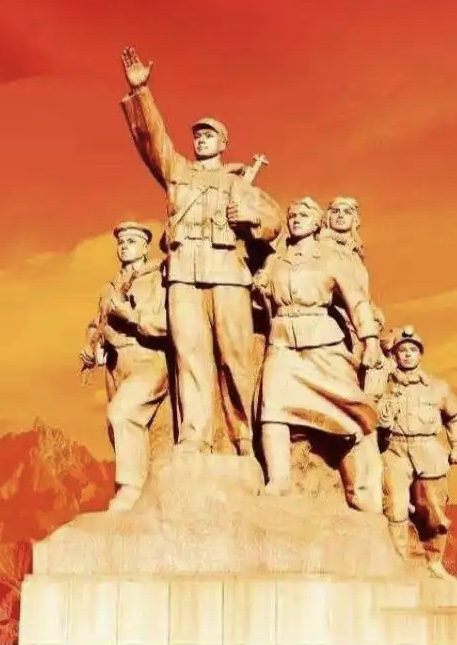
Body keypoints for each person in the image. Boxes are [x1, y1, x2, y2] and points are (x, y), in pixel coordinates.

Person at [119, 46, 282, 455]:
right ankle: (194, 434)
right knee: (189, 355)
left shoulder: (238, 182)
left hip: (227, 271)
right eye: (198, 135)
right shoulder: (178, 173)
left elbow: (273, 220)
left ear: (223, 143)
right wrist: (141, 93)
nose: (201, 139)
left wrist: (250, 218)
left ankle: (243, 437)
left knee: (234, 355)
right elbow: (152, 139)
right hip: (183, 273)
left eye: (209, 135)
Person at [254, 196, 382, 511]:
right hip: (282, 340)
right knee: (272, 406)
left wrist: (370, 340)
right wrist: (259, 289)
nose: (296, 219)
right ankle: (278, 480)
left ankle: (361, 486)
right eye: (292, 215)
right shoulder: (276, 261)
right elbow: (260, 302)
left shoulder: (331, 259)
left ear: (316, 223)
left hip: (323, 340)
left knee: (349, 408)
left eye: (304, 215)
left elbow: (357, 302)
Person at [79, 221, 168, 512]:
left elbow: (169, 323)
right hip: (116, 366)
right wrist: (91, 347)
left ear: (145, 247)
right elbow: (97, 324)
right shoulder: (109, 288)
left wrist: (132, 316)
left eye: (131, 241)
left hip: (148, 360)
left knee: (122, 413)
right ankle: (130, 488)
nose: (124, 246)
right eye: (121, 242)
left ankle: (131, 487)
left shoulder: (158, 279)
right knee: (114, 425)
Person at [377, 326, 457, 579]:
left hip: (428, 450)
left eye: (413, 350)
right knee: (395, 507)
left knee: (433, 511)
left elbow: (454, 418)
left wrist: (456, 445)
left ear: (420, 354)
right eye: (403, 350)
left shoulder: (438, 387)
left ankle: (434, 560)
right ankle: (401, 561)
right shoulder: (384, 386)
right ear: (395, 355)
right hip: (395, 450)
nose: (408, 354)